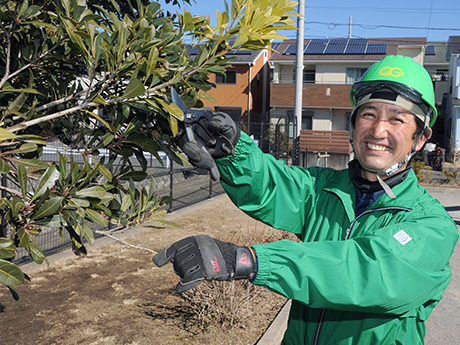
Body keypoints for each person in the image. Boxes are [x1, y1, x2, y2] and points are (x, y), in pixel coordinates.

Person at [153, 55, 459, 344]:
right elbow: (272, 185)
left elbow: (368, 270)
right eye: (368, 114)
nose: (378, 130)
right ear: (352, 125)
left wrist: (248, 260)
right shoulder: (324, 189)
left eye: (397, 120)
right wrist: (230, 150)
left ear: (420, 137)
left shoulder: (432, 225)